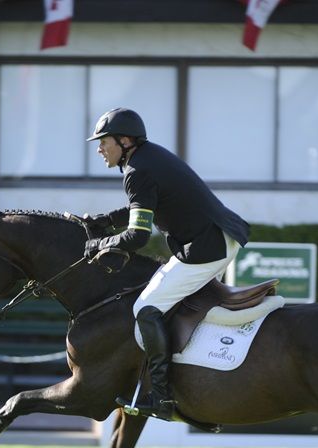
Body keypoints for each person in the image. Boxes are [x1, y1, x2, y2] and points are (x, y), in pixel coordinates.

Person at [82, 108, 250, 421]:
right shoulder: (149, 158)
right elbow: (143, 204)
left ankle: (162, 398)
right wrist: (106, 221)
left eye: (104, 141)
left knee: (145, 308)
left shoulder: (137, 170)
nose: (99, 148)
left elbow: (137, 236)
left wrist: (99, 244)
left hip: (206, 248)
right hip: (219, 238)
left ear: (125, 140)